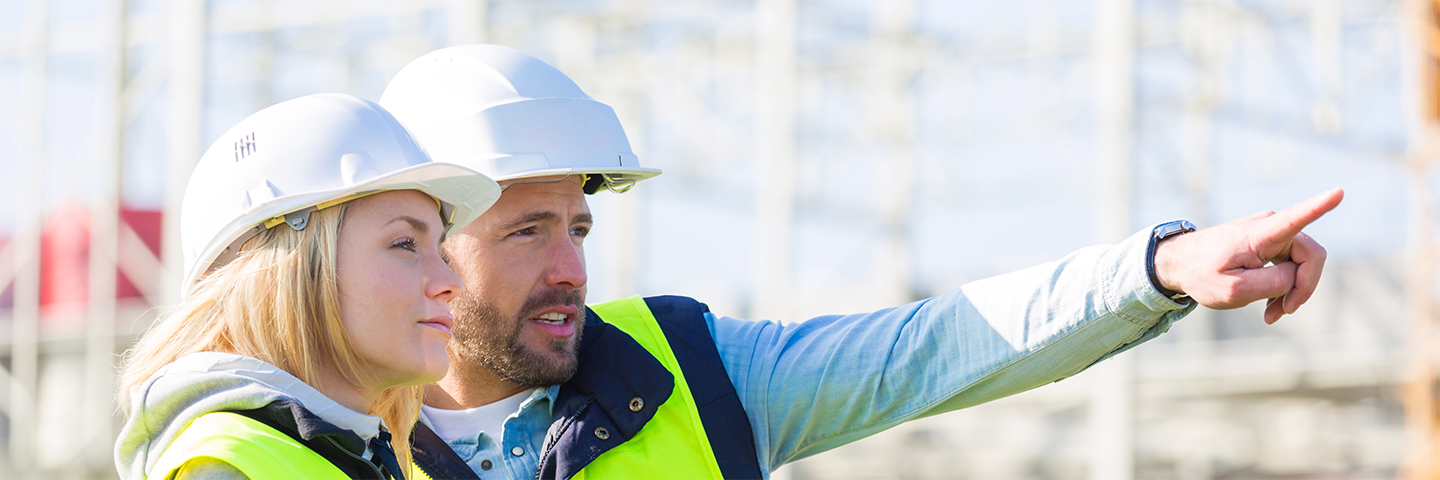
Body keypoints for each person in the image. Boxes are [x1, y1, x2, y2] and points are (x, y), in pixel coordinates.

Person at [378, 45, 1342, 480]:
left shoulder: (692, 375)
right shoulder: (303, 440)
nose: (572, 270)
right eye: (526, 231)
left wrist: (1157, 269)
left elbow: (939, 346)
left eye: (577, 229)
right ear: (423, 240)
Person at [113, 93, 501, 480]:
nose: (452, 283)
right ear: (284, 264)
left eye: (442, 253)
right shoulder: (226, 468)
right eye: (404, 244)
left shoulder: (363, 454)